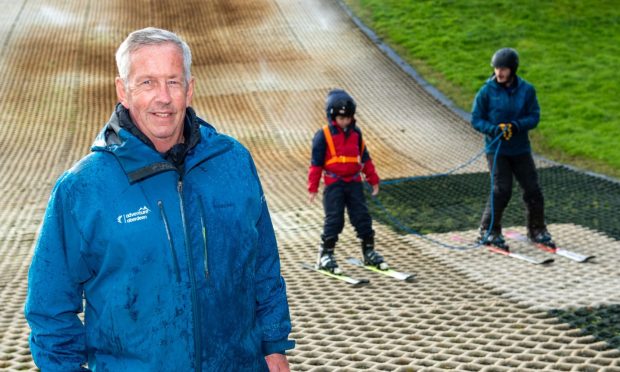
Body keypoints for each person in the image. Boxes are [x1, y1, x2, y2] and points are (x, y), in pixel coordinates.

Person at [25, 27, 294, 371]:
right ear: (123, 90)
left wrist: (274, 345)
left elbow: (264, 266)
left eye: (173, 81)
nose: (163, 97)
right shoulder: (83, 188)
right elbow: (49, 307)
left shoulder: (233, 163)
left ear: (190, 88)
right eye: (147, 82)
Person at [471, 47, 555, 251]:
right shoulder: (486, 91)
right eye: (497, 68)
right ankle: (489, 230)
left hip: (520, 149)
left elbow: (534, 116)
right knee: (502, 190)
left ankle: (537, 230)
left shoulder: (527, 90)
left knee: (533, 189)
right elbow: (476, 119)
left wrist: (516, 126)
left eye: (504, 69)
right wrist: (494, 129)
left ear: (513, 69)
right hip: (497, 150)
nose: (499, 73)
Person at [307, 89, 388, 274]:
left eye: (348, 117)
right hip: (334, 185)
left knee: (362, 217)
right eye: (341, 118)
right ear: (332, 116)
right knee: (334, 220)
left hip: (354, 183)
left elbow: (365, 158)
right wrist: (312, 187)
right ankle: (325, 254)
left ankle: (369, 251)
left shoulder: (356, 134)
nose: (345, 121)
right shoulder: (323, 136)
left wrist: (373, 180)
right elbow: (316, 164)